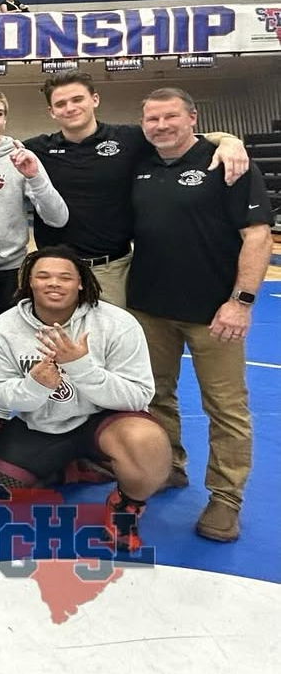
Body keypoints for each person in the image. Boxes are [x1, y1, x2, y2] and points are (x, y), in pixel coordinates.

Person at [126, 88, 272, 542]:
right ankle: (167, 466)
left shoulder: (226, 162)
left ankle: (226, 498)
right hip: (149, 307)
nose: (161, 126)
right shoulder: (140, 161)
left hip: (215, 312)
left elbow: (258, 235)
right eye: (152, 119)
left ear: (193, 117)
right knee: (155, 396)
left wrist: (241, 301)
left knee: (225, 408)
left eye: (171, 117)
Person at [0, 246, 172, 551]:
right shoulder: (5, 327)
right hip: (43, 425)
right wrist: (36, 385)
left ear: (81, 282)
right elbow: (3, 393)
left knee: (147, 444)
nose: (53, 283)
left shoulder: (117, 324)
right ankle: (73, 468)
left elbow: (138, 395)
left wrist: (81, 368)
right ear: (28, 281)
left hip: (104, 421)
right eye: (43, 276)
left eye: (64, 277)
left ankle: (126, 504)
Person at [23, 71, 249, 308]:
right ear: (52, 111)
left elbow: (181, 137)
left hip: (112, 269)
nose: (70, 108)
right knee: (54, 339)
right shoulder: (36, 149)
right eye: (60, 104)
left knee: (113, 341)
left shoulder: (130, 139)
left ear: (95, 99)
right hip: (55, 270)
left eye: (77, 99)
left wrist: (228, 141)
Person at [0, 88, 68, 325]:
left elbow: (58, 218)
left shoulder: (21, 158)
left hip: (11, 267)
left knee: (9, 336)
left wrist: (35, 177)